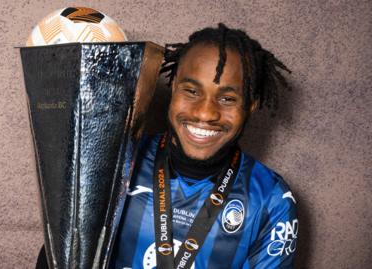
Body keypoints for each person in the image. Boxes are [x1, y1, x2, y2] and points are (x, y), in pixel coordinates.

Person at [37, 23, 297, 269]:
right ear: (173, 87)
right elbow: (59, 256)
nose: (206, 113)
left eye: (227, 98)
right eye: (192, 91)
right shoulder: (114, 161)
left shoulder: (272, 200)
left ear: (251, 105)